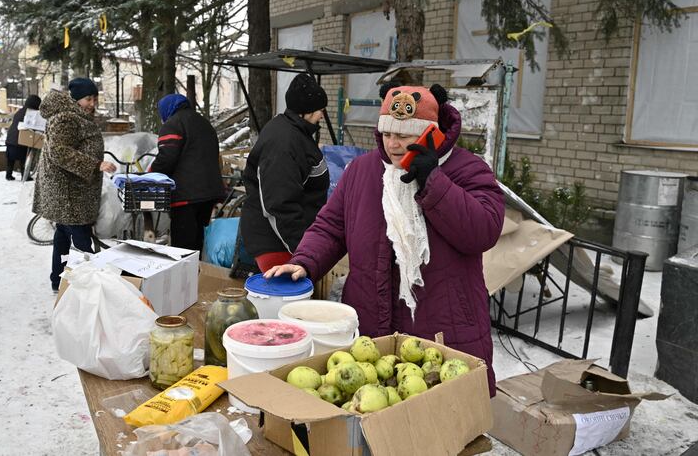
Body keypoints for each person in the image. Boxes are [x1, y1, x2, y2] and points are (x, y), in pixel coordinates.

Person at [264, 83, 505, 396]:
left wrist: (432, 180)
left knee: (436, 431)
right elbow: (331, 225)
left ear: (431, 133)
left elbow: (482, 231)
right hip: (371, 330)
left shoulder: (468, 169)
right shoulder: (363, 171)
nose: (393, 144)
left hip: (440, 332)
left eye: (404, 135)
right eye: (388, 133)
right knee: (374, 415)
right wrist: (305, 260)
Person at [32, 78, 117, 292]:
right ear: (76, 99)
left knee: (63, 234)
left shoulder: (75, 116)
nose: (92, 103)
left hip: (72, 189)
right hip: (68, 192)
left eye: (94, 98)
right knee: (81, 240)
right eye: (88, 99)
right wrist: (96, 164)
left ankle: (58, 279)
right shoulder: (67, 118)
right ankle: (88, 285)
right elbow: (60, 152)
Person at [240, 73, 330, 272]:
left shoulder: (295, 132)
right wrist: (302, 252)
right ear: (305, 111)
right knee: (285, 301)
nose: (321, 115)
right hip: (278, 244)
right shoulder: (284, 142)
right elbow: (279, 205)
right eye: (319, 110)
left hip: (289, 240)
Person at [150, 94, 224, 253]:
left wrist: (149, 174)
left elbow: (167, 157)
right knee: (197, 241)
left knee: (183, 247)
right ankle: (197, 274)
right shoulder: (204, 122)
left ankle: (184, 276)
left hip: (186, 195)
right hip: (208, 193)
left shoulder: (173, 124)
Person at [4, 94, 42, 181]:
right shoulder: (30, 113)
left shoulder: (20, 111)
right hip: (19, 140)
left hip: (10, 138)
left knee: (10, 160)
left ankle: (8, 175)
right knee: (23, 158)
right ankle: (24, 175)